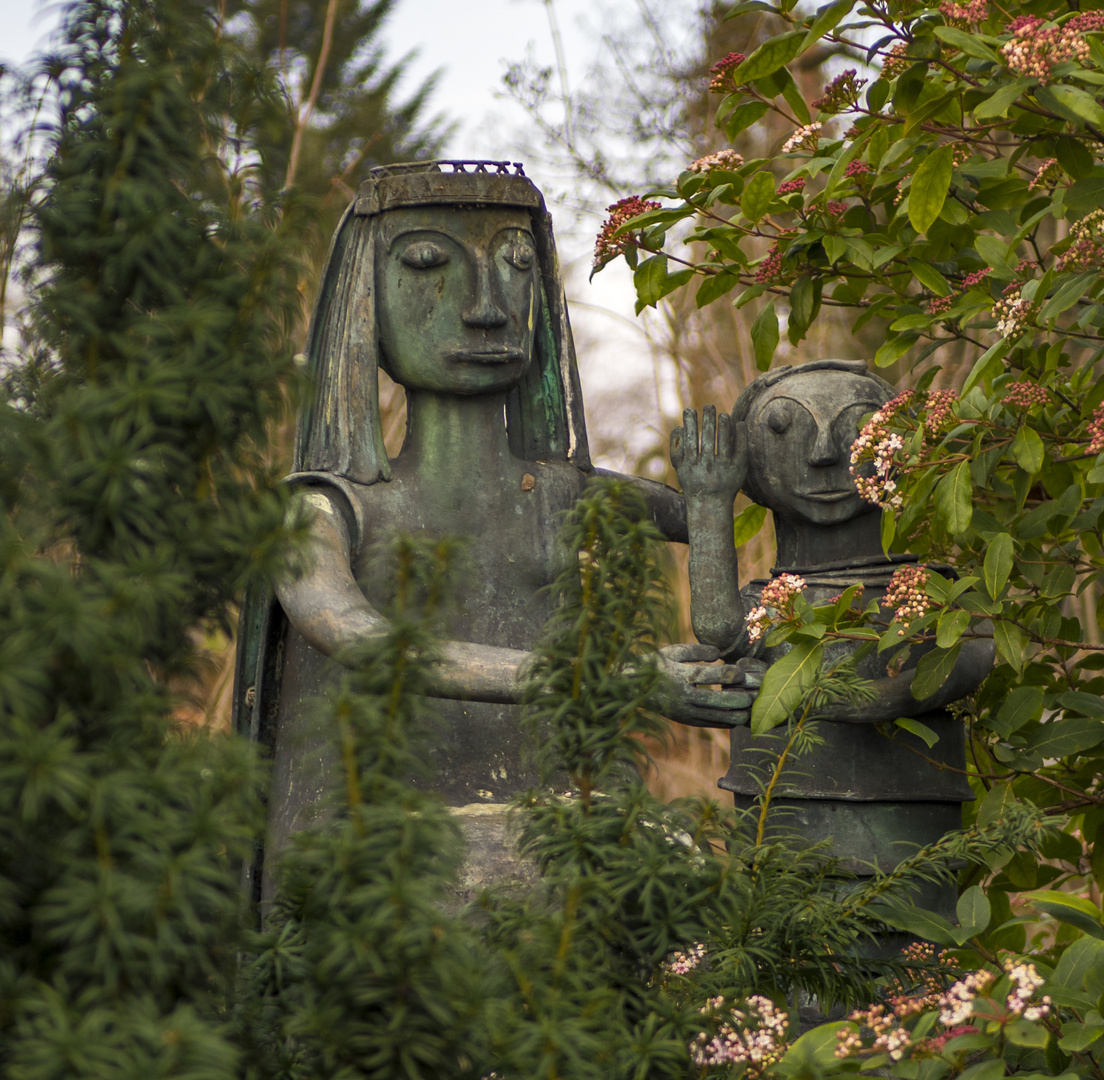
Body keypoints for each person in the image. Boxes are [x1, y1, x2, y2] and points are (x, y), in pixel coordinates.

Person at [233, 161, 750, 900]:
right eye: (425, 263)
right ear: (365, 302)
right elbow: (355, 634)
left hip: (556, 830)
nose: (484, 307)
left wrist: (712, 500)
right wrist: (623, 681)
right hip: (381, 854)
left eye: (513, 265)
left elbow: (721, 576)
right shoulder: (321, 511)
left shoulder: (570, 494)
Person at [671, 361, 992, 912]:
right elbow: (721, 632)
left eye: (856, 428)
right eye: (781, 429)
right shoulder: (771, 606)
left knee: (906, 969)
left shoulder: (929, 596)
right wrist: (707, 502)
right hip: (780, 835)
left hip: (910, 830)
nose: (822, 455)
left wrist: (874, 698)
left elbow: (975, 648)